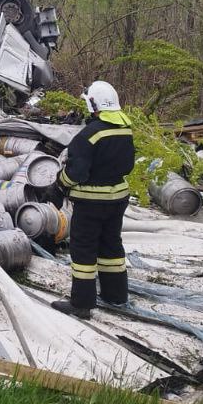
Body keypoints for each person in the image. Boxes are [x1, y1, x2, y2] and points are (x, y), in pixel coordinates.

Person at [51, 80, 135, 319]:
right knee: (111, 246)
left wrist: (60, 183)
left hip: (90, 203)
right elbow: (127, 165)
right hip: (118, 199)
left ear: (93, 105)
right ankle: (116, 295)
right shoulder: (124, 129)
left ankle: (81, 304)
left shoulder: (88, 135)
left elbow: (76, 173)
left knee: (84, 251)